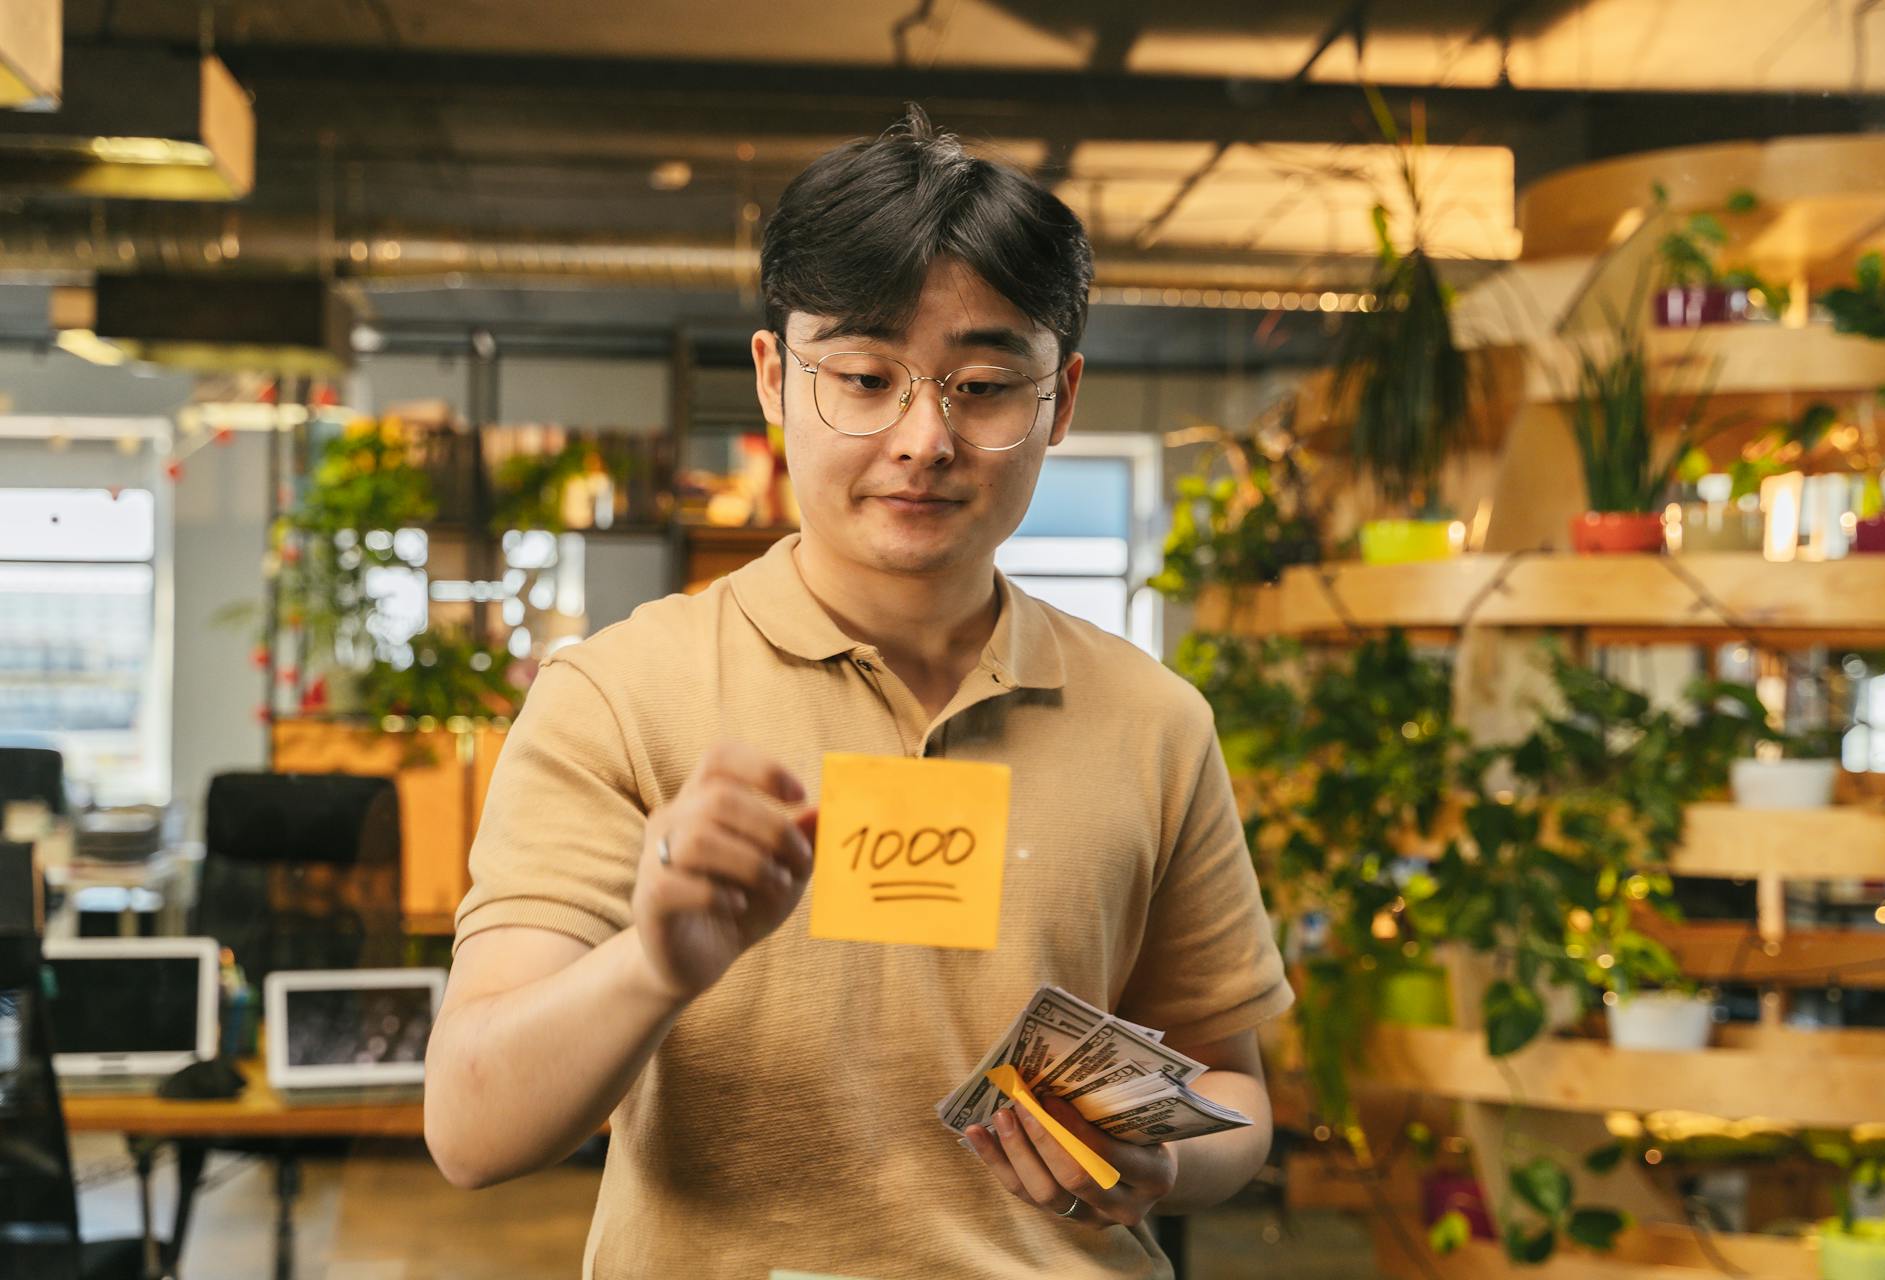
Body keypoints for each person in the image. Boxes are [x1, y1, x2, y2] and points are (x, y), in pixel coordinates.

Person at [424, 108, 1292, 1280]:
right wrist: (655, 964)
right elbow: (470, 1129)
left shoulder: (1155, 721)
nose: (924, 436)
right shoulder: (619, 695)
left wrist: (1166, 1160)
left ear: (1063, 399)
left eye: (984, 384)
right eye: (867, 376)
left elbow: (1232, 1087)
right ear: (776, 382)